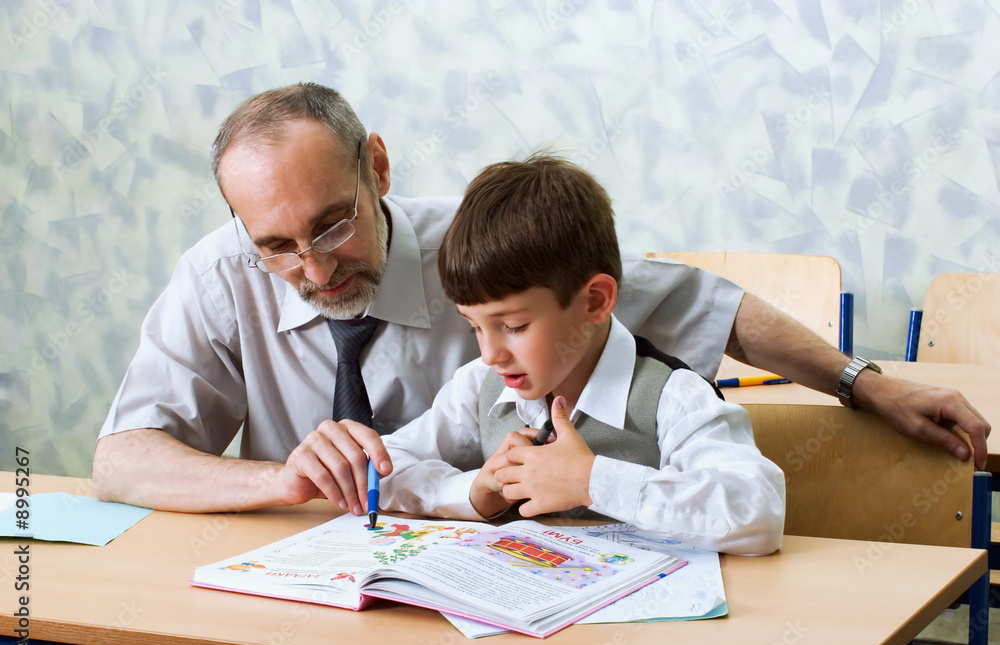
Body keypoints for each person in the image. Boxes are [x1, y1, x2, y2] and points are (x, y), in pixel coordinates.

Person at [93, 83, 989, 515]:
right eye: (278, 247)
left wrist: (863, 382)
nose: (317, 270)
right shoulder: (219, 275)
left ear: (377, 169)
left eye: (333, 228)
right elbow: (123, 459)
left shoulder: (488, 250)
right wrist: (284, 479)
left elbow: (709, 307)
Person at [379, 154, 785, 555]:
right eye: (475, 327)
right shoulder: (477, 387)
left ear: (594, 301)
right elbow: (387, 465)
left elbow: (758, 512)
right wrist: (473, 492)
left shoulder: (672, 396)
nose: (489, 354)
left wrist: (593, 481)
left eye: (515, 326)